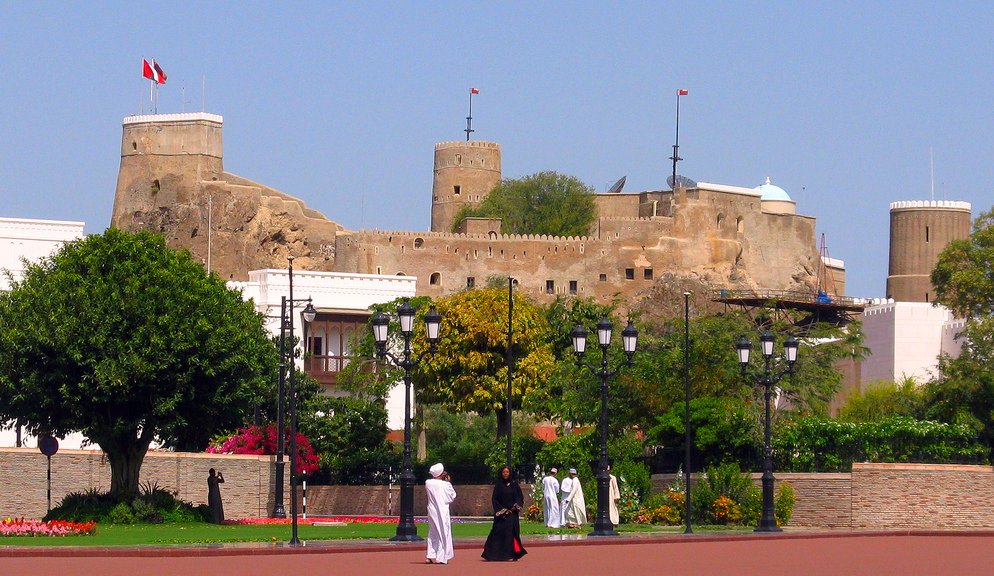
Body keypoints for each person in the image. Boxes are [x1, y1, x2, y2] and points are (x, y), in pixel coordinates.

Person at [481, 466, 527, 561]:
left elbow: (519, 497)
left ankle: (512, 554)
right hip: (502, 516)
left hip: (512, 515)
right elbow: (495, 499)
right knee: (497, 533)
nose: (505, 474)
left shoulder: (514, 485)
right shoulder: (498, 485)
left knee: (512, 534)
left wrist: (515, 507)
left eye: (507, 472)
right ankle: (493, 554)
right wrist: (503, 510)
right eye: (504, 472)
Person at [425, 462, 457, 565]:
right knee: (443, 532)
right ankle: (441, 557)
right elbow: (452, 496)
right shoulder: (445, 484)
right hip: (442, 511)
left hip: (432, 510)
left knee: (433, 532)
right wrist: (448, 482)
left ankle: (430, 555)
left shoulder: (428, 483)